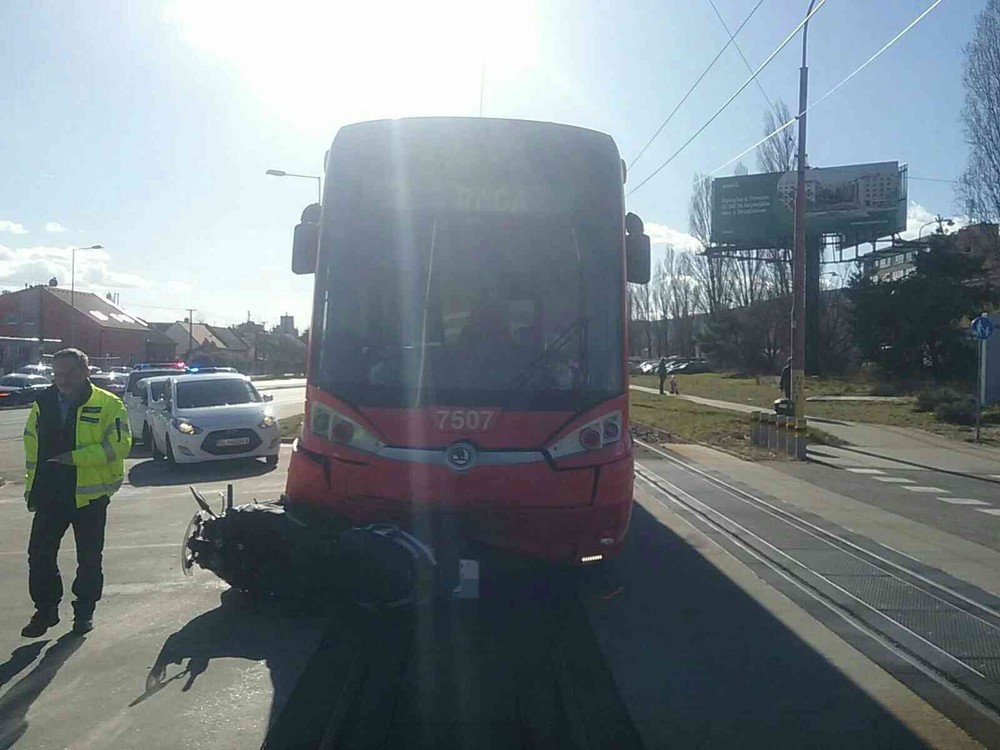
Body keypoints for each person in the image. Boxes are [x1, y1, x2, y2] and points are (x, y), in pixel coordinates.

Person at [21, 348, 132, 637]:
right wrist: (31, 487)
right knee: (40, 555)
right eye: (57, 374)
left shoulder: (109, 404)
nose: (62, 380)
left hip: (89, 496)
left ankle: (84, 613)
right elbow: (31, 445)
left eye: (69, 374)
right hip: (49, 493)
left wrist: (75, 457)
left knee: (89, 558)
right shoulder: (43, 402)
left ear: (86, 371)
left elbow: (119, 446)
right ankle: (45, 610)